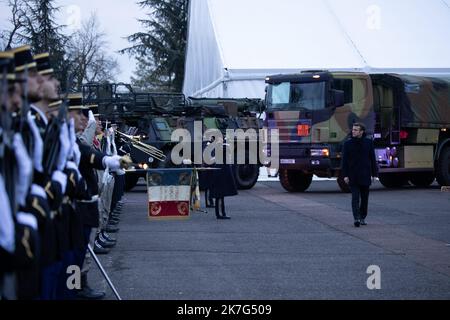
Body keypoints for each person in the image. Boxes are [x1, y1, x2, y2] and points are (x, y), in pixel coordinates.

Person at [341, 122, 378, 227]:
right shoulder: (347, 144)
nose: (353, 131)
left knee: (365, 198)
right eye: (353, 129)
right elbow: (344, 161)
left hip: (365, 175)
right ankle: (356, 218)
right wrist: (345, 175)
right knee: (355, 198)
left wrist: (375, 174)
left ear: (361, 132)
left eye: (356, 130)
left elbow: (372, 159)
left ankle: (362, 217)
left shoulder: (368, 142)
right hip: (353, 176)